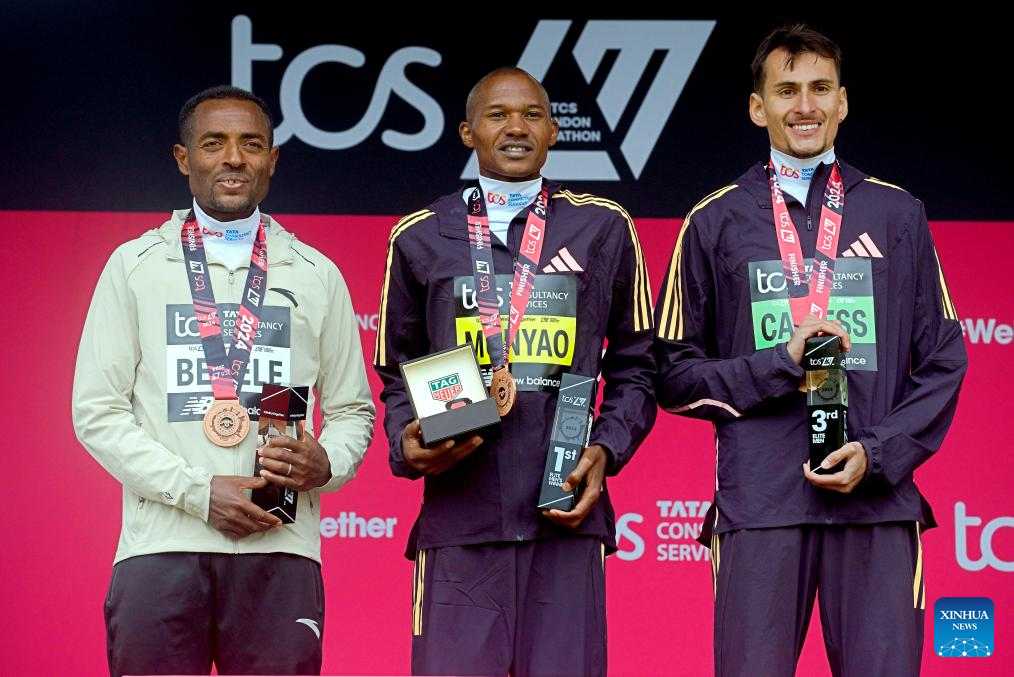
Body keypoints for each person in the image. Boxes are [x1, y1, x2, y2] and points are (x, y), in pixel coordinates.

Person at [654, 24, 967, 677]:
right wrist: (777, 365)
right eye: (787, 89)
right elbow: (672, 375)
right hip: (761, 505)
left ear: (843, 101)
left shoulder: (897, 214)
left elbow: (944, 359)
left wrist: (878, 453)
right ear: (757, 106)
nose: (805, 105)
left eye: (821, 88)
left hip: (877, 505)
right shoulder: (712, 221)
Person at [72, 85, 375, 677]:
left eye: (250, 144)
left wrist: (327, 463)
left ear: (272, 159)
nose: (233, 158)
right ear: (184, 158)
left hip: (279, 545)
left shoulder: (316, 273)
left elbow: (352, 412)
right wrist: (197, 491)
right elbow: (98, 411)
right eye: (214, 143)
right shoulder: (133, 266)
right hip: (161, 547)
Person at [374, 67, 656, 676]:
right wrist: (406, 442)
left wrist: (606, 449)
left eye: (532, 115)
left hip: (564, 512)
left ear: (553, 131)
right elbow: (397, 374)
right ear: (467, 132)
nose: (516, 128)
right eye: (498, 115)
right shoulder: (418, 236)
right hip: (460, 523)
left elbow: (638, 365)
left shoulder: (604, 227)